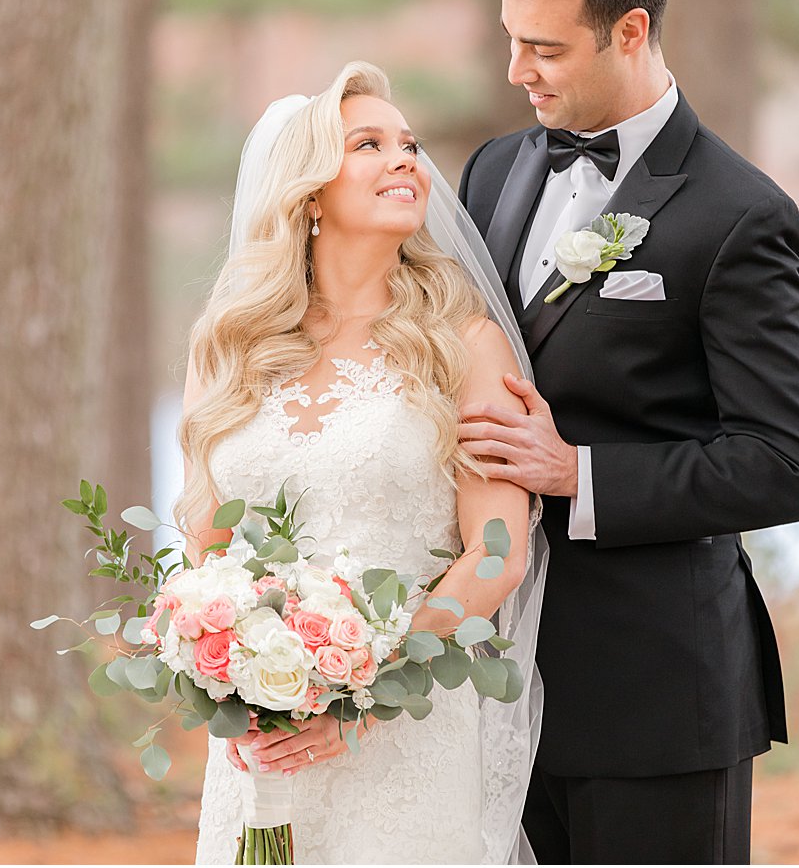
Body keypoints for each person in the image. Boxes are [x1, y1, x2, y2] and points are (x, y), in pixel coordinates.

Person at [455, 0, 799, 863]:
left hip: (656, 698)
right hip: (491, 692)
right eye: (510, 40)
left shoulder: (739, 214)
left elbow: (790, 463)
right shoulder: (493, 172)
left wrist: (576, 474)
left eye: (544, 48)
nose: (516, 72)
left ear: (629, 32)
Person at [178, 61, 547, 864]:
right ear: (310, 192)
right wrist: (230, 674)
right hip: (258, 737)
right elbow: (203, 539)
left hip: (408, 728)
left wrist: (364, 698)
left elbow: (497, 551)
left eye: (409, 144)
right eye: (368, 144)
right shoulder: (229, 346)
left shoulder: (464, 346)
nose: (405, 159)